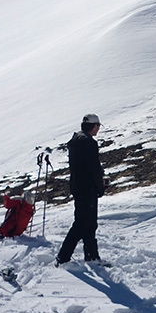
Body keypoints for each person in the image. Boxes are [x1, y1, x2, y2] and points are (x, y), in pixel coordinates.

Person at [56, 114, 106, 266]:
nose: (98, 129)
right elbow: (93, 168)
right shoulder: (88, 142)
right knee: (83, 224)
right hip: (87, 188)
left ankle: (92, 257)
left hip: (78, 187)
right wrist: (100, 186)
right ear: (94, 126)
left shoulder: (76, 139)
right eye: (98, 126)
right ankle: (63, 257)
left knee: (89, 223)